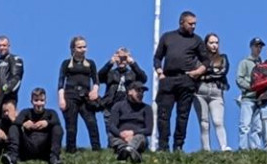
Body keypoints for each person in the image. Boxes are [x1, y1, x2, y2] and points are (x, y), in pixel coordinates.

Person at [153, 10, 208, 152]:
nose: (193, 26)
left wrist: (198, 72)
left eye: (195, 24)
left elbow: (206, 61)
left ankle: (178, 146)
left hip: (186, 79)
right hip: (168, 79)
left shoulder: (197, 40)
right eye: (190, 24)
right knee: (163, 114)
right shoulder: (167, 37)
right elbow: (157, 57)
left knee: (183, 115)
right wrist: (159, 72)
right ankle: (163, 146)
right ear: (181, 22)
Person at [58, 36, 101, 153]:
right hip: (71, 95)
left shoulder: (90, 63)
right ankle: (71, 150)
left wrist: (95, 91)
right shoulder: (66, 63)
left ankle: (97, 150)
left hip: (86, 96)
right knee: (71, 125)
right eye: (80, 47)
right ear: (73, 48)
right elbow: (61, 82)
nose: (83, 49)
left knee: (92, 122)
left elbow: (96, 80)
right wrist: (61, 99)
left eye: (84, 47)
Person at [2, 88, 63, 164]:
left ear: (45, 101)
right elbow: (16, 122)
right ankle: (12, 157)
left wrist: (47, 123)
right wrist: (24, 124)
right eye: (36, 100)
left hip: (45, 149)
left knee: (57, 128)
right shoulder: (26, 112)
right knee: (14, 127)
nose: (39, 103)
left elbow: (57, 122)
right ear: (31, 101)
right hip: (27, 147)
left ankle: (54, 159)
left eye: (41, 100)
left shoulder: (51, 113)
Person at [98, 47, 148, 140]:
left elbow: (143, 79)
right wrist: (110, 63)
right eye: (120, 58)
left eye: (124, 58)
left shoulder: (133, 73)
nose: (121, 61)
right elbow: (99, 77)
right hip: (110, 107)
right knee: (111, 135)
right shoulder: (110, 73)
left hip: (127, 108)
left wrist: (132, 63)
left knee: (126, 134)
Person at [193, 33, 230, 151]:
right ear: (206, 44)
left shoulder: (222, 58)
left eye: (216, 43)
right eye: (211, 43)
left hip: (216, 91)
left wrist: (203, 73)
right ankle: (206, 149)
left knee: (218, 121)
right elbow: (194, 72)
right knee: (204, 123)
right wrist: (209, 71)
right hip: (200, 91)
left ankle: (223, 146)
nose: (214, 45)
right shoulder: (198, 58)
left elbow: (222, 71)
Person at [108, 82, 153, 163]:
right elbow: (112, 125)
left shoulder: (147, 108)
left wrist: (133, 133)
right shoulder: (118, 106)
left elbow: (149, 130)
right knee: (111, 136)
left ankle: (126, 151)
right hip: (121, 137)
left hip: (137, 137)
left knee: (140, 137)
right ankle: (129, 152)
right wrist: (121, 135)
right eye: (138, 90)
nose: (141, 94)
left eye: (142, 92)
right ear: (129, 92)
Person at [236, 37, 264, 150]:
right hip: (248, 98)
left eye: (260, 47)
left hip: (259, 98)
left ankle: (255, 148)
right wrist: (251, 87)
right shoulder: (244, 62)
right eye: (256, 46)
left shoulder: (262, 64)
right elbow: (239, 79)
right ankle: (243, 147)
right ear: (251, 47)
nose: (258, 49)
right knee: (245, 125)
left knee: (258, 126)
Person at [0, 35, 24, 105]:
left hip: (9, 99)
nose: (1, 48)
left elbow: (16, 79)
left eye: (4, 45)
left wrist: (4, 89)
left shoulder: (15, 59)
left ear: (9, 46)